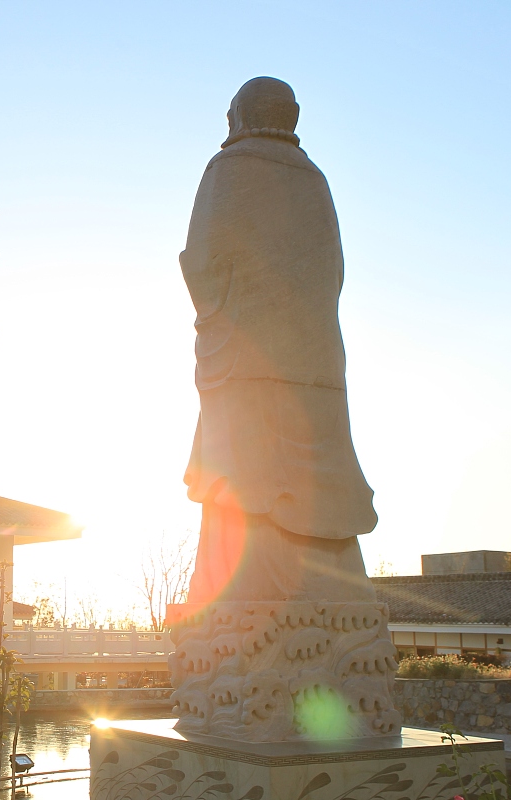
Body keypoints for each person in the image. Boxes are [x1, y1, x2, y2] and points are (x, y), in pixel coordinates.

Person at [180, 77, 377, 605]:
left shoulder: (230, 167)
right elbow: (332, 269)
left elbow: (203, 257)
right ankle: (330, 594)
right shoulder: (313, 177)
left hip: (246, 357)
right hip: (315, 361)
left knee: (242, 474)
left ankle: (249, 589)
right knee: (317, 474)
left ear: (241, 114)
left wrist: (221, 308)